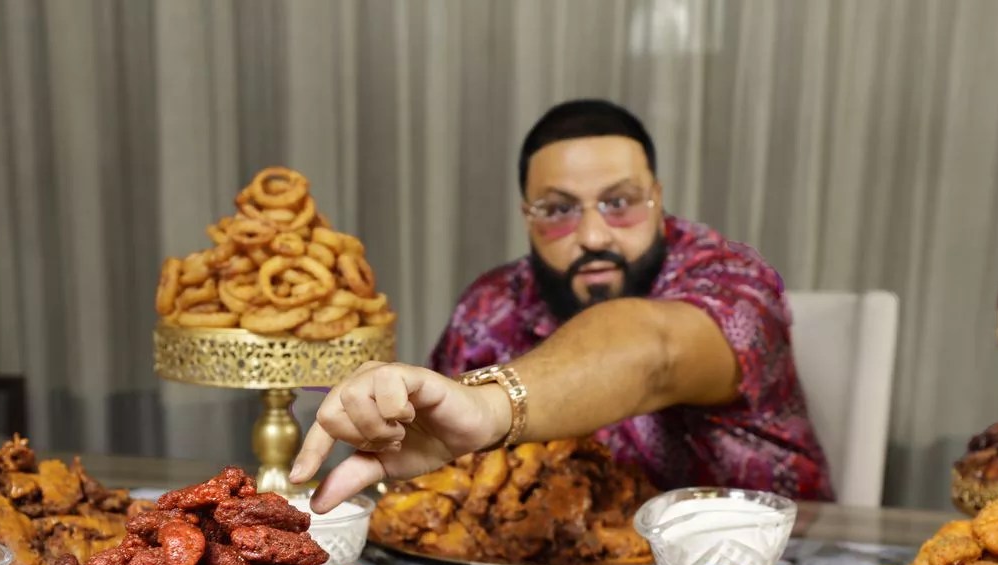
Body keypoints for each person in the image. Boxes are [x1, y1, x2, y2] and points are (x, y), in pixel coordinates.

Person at [292, 99, 833, 511]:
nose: (593, 235)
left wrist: (488, 408)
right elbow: (434, 457)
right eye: (558, 210)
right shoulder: (490, 306)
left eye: (619, 203)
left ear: (658, 199)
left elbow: (657, 351)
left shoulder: (734, 280)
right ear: (527, 216)